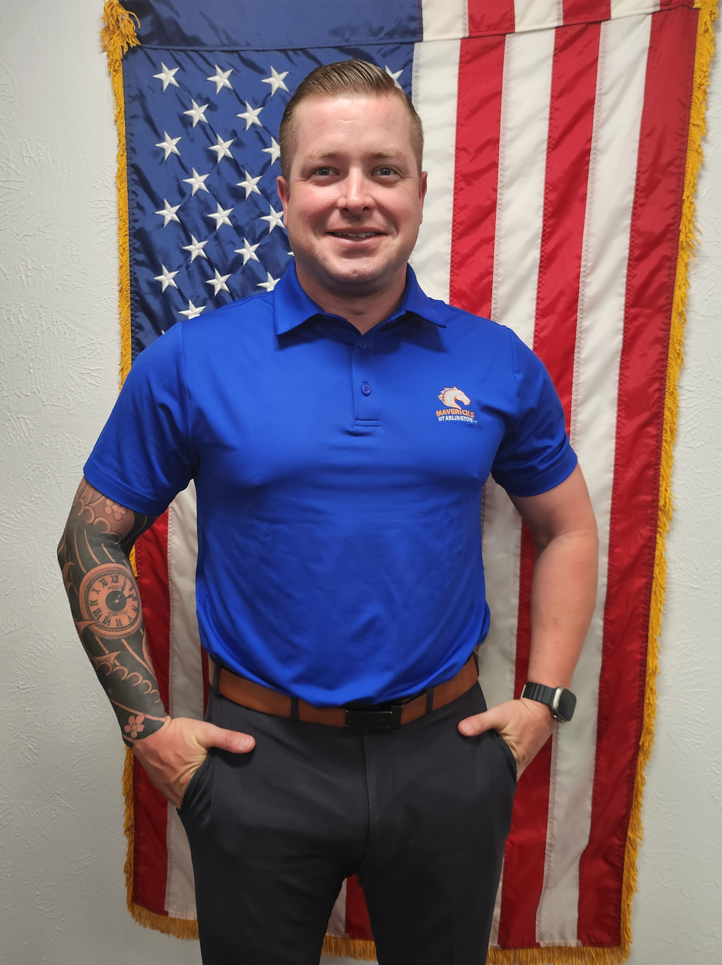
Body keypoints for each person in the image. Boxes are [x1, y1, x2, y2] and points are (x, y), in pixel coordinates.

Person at [58, 60, 597, 965]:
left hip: (449, 755)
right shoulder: (192, 359)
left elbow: (569, 526)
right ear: (284, 193)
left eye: (384, 170)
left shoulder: (495, 360)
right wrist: (147, 730)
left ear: (420, 190)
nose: (355, 198)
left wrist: (541, 702)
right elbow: (90, 532)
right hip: (259, 759)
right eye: (325, 171)